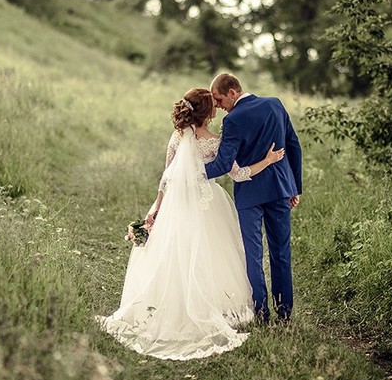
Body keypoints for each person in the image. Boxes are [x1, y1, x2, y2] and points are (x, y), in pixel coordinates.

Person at [97, 87, 284, 360]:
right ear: (208, 113)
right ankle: (212, 307)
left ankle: (168, 308)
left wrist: (156, 209)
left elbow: (166, 178)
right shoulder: (216, 142)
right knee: (211, 255)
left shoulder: (176, 137)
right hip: (208, 205)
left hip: (176, 203)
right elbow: (240, 175)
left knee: (175, 253)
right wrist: (267, 160)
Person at [204, 73, 302, 323]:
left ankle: (261, 312)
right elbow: (293, 145)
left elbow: (224, 164)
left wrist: (188, 174)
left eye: (218, 99)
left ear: (232, 93)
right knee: (281, 253)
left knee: (253, 254)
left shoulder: (233, 119)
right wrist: (294, 187)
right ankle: (284, 314)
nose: (217, 105)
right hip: (281, 189)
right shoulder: (275, 104)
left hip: (249, 195)